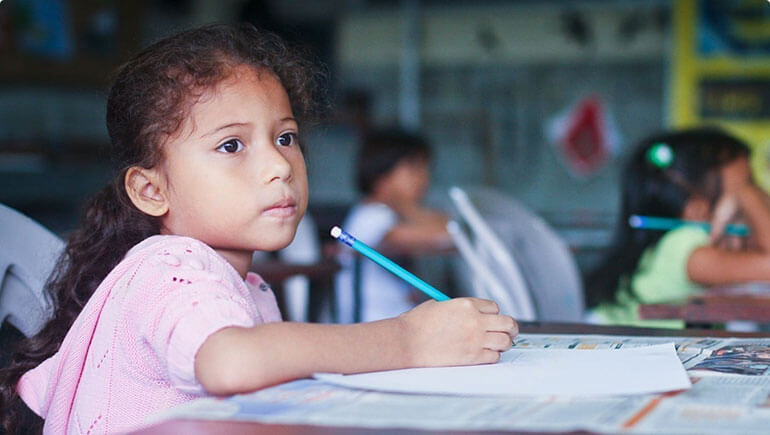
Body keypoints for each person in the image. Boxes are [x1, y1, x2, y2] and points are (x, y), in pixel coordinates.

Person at [0, 24, 518, 434]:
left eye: (286, 138)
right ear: (151, 190)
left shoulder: (240, 284)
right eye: (232, 145)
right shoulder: (171, 269)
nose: (279, 165)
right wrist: (408, 339)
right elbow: (231, 364)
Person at [585, 126, 770, 327]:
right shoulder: (683, 243)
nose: (763, 196)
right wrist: (747, 194)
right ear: (697, 208)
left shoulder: (666, 247)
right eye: (749, 182)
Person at [335, 129, 454, 323]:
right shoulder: (371, 215)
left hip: (393, 321)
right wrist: (409, 208)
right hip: (371, 326)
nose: (424, 177)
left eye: (426, 168)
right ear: (381, 174)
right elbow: (418, 238)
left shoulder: (388, 214)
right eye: (414, 168)